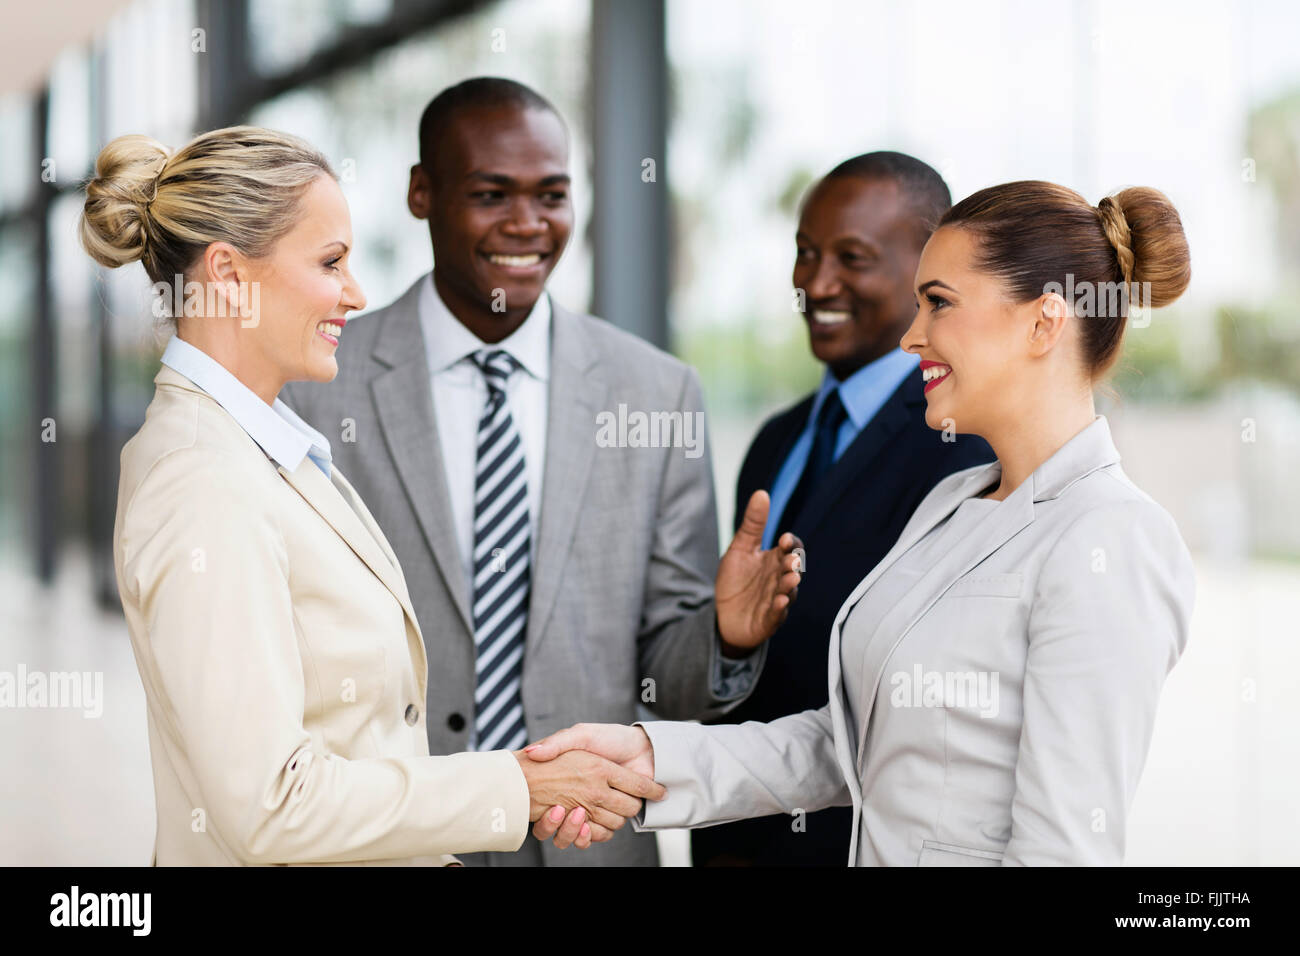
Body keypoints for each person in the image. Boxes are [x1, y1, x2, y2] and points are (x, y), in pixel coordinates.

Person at [528, 180, 1198, 866]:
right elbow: (845, 745)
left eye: (938, 304)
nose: (912, 338)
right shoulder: (954, 503)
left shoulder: (1111, 538)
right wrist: (644, 757)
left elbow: (1060, 852)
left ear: (1044, 322)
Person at [85, 125, 665, 866]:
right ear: (227, 273)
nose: (355, 294)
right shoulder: (201, 479)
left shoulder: (260, 447)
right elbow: (271, 807)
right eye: (330, 263)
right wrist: (518, 788)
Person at [279, 77, 802, 867]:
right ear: (422, 192)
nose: (528, 224)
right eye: (492, 193)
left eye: (552, 194)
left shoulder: (655, 392)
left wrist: (723, 634)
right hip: (390, 841)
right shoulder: (316, 384)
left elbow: (668, 682)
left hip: (587, 844)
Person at [692, 152, 996, 866]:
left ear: (931, 270)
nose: (816, 282)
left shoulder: (964, 446)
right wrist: (729, 641)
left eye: (851, 258)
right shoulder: (777, 439)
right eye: (805, 253)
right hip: (735, 838)